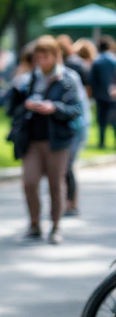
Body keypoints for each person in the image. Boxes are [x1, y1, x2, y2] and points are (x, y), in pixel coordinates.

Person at [6, 36, 84, 244]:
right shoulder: (29, 79)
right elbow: (12, 107)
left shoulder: (67, 80)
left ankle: (55, 226)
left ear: (56, 56)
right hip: (31, 139)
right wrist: (26, 105)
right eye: (38, 58)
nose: (42, 62)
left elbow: (76, 109)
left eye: (45, 57)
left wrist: (54, 107)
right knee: (29, 182)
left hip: (56, 140)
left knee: (55, 184)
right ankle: (34, 224)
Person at [59, 38, 91, 217]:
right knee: (66, 166)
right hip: (71, 125)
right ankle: (68, 202)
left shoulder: (70, 73)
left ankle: (71, 203)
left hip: (76, 126)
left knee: (68, 165)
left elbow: (78, 105)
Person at [90, 37, 116, 148]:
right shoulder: (113, 60)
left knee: (101, 120)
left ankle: (101, 142)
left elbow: (91, 79)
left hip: (100, 95)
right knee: (114, 119)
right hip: (114, 94)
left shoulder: (97, 61)